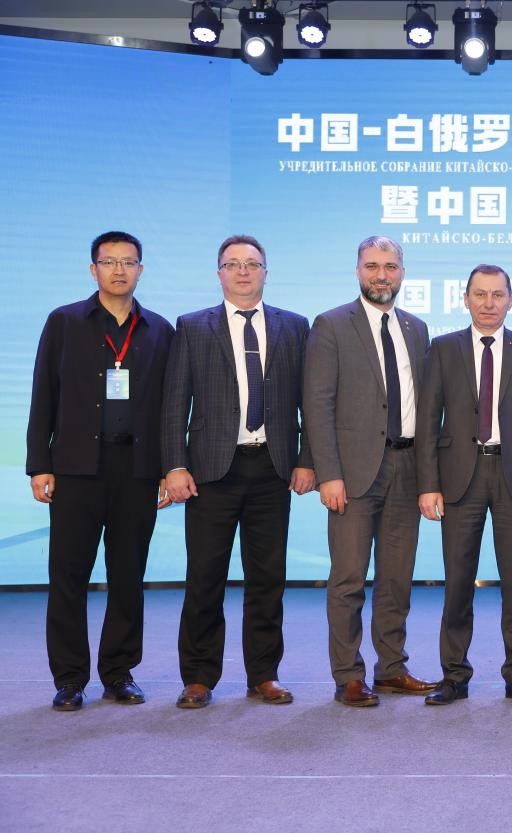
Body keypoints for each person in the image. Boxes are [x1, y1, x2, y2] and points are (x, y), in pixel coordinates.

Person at [161, 234, 316, 709]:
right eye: (233, 264)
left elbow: (311, 402)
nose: (243, 271)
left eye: (252, 264)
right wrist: (174, 465)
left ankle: (263, 674)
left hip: (273, 468)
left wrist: (307, 459)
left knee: (267, 578)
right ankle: (198, 677)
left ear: (266, 272)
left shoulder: (294, 326)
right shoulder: (192, 326)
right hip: (211, 472)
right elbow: (174, 402)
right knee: (204, 578)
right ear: (219, 273)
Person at [26, 231, 174, 711]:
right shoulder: (65, 321)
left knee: (128, 576)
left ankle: (118, 672)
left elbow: (171, 408)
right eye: (109, 261)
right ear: (93, 269)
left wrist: (169, 467)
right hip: (76, 468)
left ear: (140, 270)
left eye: (128, 262)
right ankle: (70, 678)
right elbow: (43, 393)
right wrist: (39, 464)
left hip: (136, 469)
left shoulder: (160, 330)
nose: (118, 270)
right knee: (68, 575)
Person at [418, 265, 512, 706]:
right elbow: (427, 420)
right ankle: (453, 676)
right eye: (480, 294)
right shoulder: (443, 348)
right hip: (459, 478)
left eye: (497, 294)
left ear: (511, 300)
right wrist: (428, 484)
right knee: (457, 583)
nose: (488, 303)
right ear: (465, 299)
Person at [303, 235, 437, 708]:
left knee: (397, 579)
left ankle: (392, 668)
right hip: (353, 473)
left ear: (402, 272)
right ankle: (348, 676)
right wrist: (328, 473)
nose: (382, 275)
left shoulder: (416, 328)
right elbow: (317, 404)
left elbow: (426, 406)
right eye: (373, 266)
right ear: (358, 270)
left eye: (390, 267)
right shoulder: (331, 324)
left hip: (408, 467)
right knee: (349, 580)